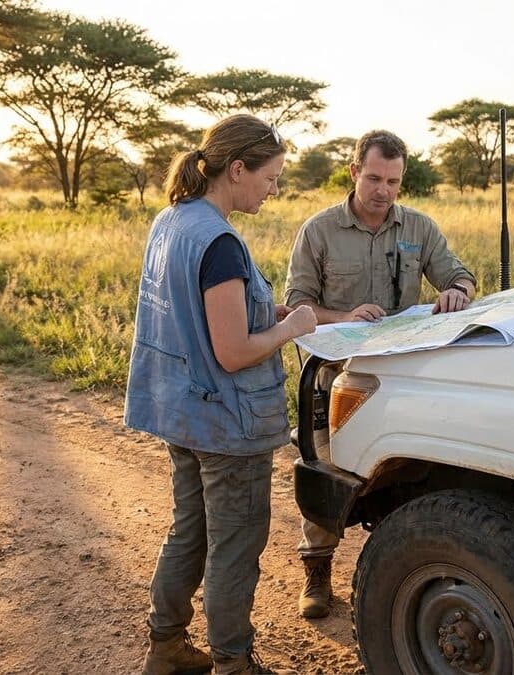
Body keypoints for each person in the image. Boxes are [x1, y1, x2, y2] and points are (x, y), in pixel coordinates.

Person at [126, 114, 315, 675]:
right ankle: (233, 664)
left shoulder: (171, 220)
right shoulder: (221, 241)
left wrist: (270, 313)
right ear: (237, 169)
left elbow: (204, 316)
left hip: (181, 412)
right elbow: (232, 351)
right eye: (271, 177)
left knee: (190, 529)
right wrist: (292, 328)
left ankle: (166, 649)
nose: (273, 188)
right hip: (227, 424)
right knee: (234, 545)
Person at [283, 130, 476, 618]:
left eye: (393, 181)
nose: (383, 191)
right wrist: (343, 317)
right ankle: (317, 570)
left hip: (401, 378)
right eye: (373, 178)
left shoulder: (419, 227)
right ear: (354, 173)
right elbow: (296, 308)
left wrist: (457, 290)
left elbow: (459, 274)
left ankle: (406, 574)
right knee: (329, 471)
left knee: (409, 472)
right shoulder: (318, 231)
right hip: (335, 377)